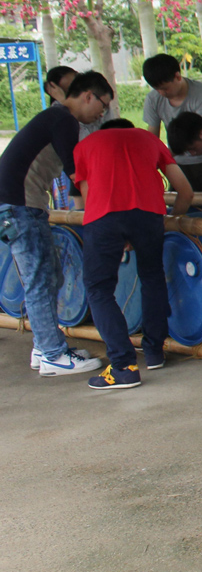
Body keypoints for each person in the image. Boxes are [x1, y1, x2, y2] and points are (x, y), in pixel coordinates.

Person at [0, 71, 113, 377]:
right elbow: (77, 172)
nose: (101, 113)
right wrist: (99, 215)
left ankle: (45, 346)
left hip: (20, 204)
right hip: (18, 205)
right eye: (102, 105)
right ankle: (52, 354)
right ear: (88, 95)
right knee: (40, 279)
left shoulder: (57, 118)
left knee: (48, 275)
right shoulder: (63, 119)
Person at [71, 118, 192, 389]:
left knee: (99, 288)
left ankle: (123, 366)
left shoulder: (85, 146)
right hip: (149, 215)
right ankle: (154, 352)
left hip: (104, 218)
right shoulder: (150, 139)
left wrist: (115, 233)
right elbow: (185, 190)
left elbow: (89, 199)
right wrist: (169, 221)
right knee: (152, 276)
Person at [141, 54, 202, 192]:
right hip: (176, 163)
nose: (161, 93)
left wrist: (166, 155)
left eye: (165, 88)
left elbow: (195, 134)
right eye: (156, 89)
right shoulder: (153, 99)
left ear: (178, 76)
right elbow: (152, 136)